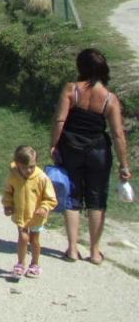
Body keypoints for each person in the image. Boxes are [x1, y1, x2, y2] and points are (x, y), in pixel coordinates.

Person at [50, 48, 133, 264]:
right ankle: (95, 251)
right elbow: (117, 134)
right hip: (98, 150)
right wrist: (124, 164)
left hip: (71, 147)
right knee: (97, 199)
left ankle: (71, 248)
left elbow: (60, 120)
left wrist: (54, 145)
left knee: (73, 195)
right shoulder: (110, 99)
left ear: (81, 67)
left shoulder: (71, 89)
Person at [2, 145, 58, 278]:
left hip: (36, 216)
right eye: (24, 167)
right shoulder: (14, 177)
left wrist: (44, 207)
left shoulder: (42, 178)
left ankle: (35, 264)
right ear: (17, 164)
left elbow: (50, 198)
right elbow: (8, 193)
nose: (28, 170)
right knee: (22, 238)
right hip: (21, 213)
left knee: (34, 240)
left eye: (32, 166)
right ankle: (20, 263)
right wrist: (8, 205)